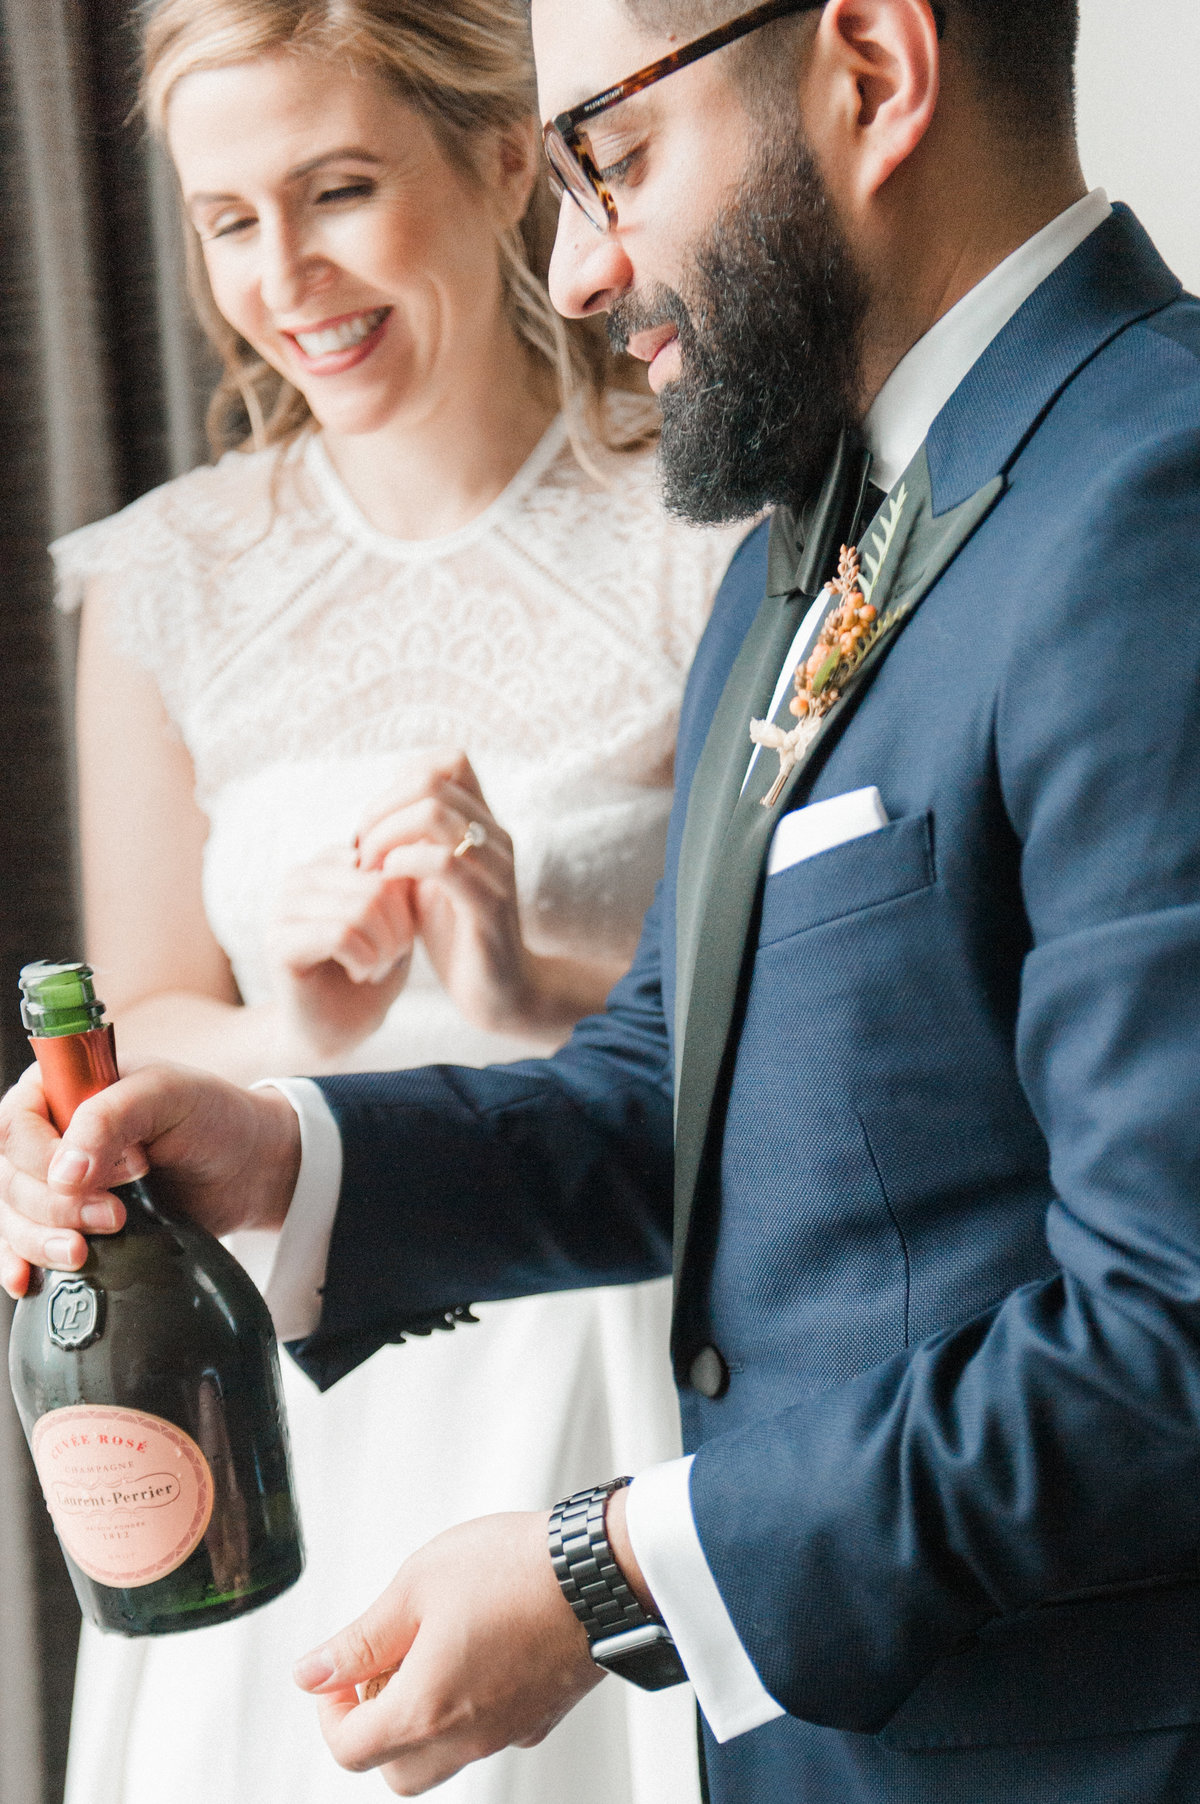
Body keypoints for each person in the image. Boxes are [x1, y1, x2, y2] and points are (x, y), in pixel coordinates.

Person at [6, 0, 1200, 1800]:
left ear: (873, 73)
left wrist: (610, 1568)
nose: (571, 269)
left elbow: (1171, 1329)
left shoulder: (1156, 505)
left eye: (614, 156)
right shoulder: (806, 541)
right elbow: (677, 1093)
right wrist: (282, 1148)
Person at [36, 3, 741, 1802]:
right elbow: (144, 998)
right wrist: (293, 1038)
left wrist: (525, 983)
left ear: (506, 159)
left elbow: (776, 1003)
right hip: (295, 1382)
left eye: (338, 189)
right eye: (227, 218)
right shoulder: (168, 578)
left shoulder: (706, 522)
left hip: (625, 1360)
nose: (286, 275)